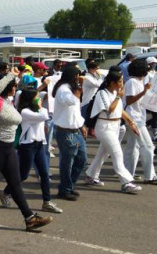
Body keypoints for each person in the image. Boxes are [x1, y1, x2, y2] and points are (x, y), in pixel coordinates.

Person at [0, 71, 53, 230]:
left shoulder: (8, 101)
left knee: (15, 182)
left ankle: (29, 218)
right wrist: (9, 75)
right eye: (14, 86)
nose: (16, 88)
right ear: (8, 87)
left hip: (8, 147)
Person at [84, 72, 147, 193]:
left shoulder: (114, 93)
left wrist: (131, 122)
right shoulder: (102, 93)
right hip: (104, 126)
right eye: (119, 82)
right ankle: (126, 182)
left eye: (122, 81)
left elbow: (120, 110)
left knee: (103, 153)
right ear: (112, 83)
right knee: (117, 154)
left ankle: (91, 175)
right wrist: (118, 97)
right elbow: (109, 110)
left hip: (115, 125)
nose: (122, 84)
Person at [16, 88, 63, 214]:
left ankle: (46, 202)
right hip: (27, 145)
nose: (39, 99)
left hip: (39, 144)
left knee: (44, 174)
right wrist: (41, 106)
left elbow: (43, 119)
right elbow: (44, 116)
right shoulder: (24, 111)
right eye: (36, 97)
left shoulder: (37, 110)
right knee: (23, 175)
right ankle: (6, 192)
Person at [122, 59, 157, 183]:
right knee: (148, 146)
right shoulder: (132, 82)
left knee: (132, 147)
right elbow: (129, 100)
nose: (148, 69)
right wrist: (144, 91)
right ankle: (150, 176)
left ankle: (128, 173)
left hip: (137, 117)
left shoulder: (138, 82)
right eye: (146, 68)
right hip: (134, 119)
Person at [53, 65, 87, 201]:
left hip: (75, 130)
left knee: (81, 160)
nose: (79, 78)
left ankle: (68, 186)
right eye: (77, 75)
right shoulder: (63, 90)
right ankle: (65, 189)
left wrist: (81, 125)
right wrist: (79, 89)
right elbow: (72, 101)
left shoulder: (70, 89)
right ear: (73, 76)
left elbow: (75, 111)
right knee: (67, 162)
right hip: (65, 132)